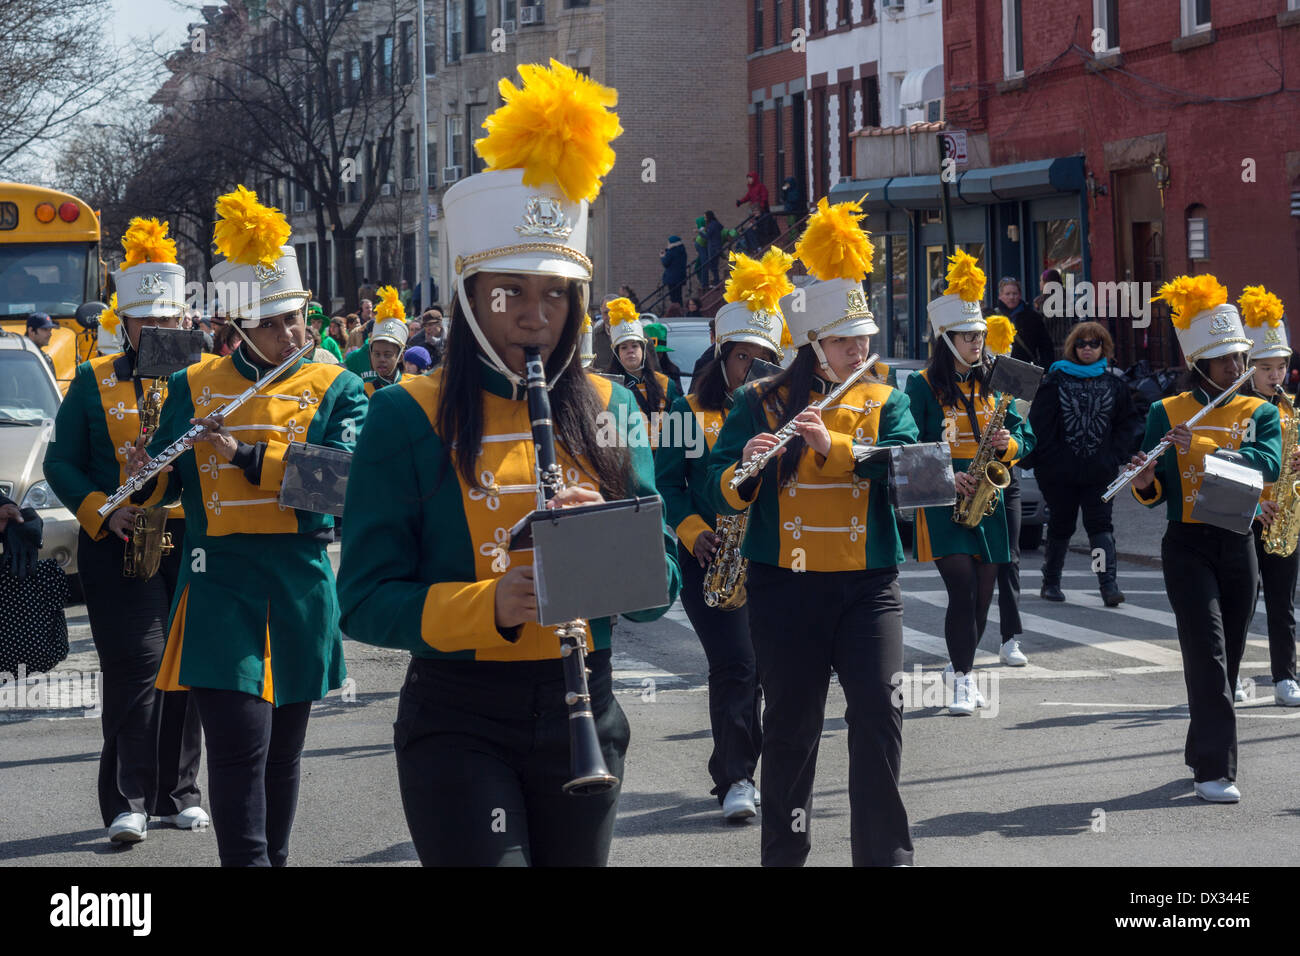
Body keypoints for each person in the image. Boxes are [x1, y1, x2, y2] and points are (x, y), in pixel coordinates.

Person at [335, 60, 681, 867]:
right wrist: (495, 602)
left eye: (556, 294)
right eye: (511, 293)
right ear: (471, 297)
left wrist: (604, 548)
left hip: (583, 705)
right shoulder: (404, 414)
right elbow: (364, 600)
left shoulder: (612, 407)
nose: (535, 316)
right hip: (459, 714)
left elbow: (657, 594)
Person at [138, 186, 368, 865]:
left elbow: (344, 482)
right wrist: (143, 471)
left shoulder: (337, 387)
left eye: (297, 320)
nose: (291, 335)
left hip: (297, 584)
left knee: (282, 754)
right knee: (240, 746)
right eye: (272, 325)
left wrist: (244, 455)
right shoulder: (194, 385)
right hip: (219, 585)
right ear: (239, 330)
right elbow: (161, 489)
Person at [708, 199, 917, 867]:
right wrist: (744, 469)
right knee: (792, 733)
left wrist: (835, 447)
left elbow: (914, 470)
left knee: (879, 720)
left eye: (863, 339)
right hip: (786, 587)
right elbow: (721, 477)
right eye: (844, 342)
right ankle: (784, 856)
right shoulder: (761, 400)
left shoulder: (889, 400)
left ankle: (886, 857)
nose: (859, 351)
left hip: (867, 587)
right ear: (813, 346)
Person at [42, 217, 207, 845]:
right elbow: (60, 462)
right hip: (116, 544)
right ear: (127, 325)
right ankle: (128, 800)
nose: (160, 332)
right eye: (148, 322)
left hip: (187, 541)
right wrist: (101, 511)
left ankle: (179, 792)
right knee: (136, 667)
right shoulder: (94, 380)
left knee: (186, 665)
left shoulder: (202, 380)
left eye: (171, 321)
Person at [1130, 275, 1280, 803]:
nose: (1236, 370)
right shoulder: (1165, 412)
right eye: (1224, 362)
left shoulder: (1259, 412)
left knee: (1229, 657)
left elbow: (1269, 467)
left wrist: (1204, 447)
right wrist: (1145, 483)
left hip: (1238, 542)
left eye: (1240, 359)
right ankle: (1215, 771)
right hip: (1188, 544)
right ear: (1200, 365)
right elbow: (1156, 491)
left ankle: (1201, 749)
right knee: (1207, 653)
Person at [655, 249, 788, 821]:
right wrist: (692, 533)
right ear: (722, 355)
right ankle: (736, 778)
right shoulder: (685, 411)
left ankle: (749, 768)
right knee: (734, 663)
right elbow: (665, 484)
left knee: (767, 668)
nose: (751, 368)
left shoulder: (786, 413)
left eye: (764, 358)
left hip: (774, 555)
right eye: (742, 357)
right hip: (709, 556)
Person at [904, 251, 1030, 715]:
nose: (978, 341)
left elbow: (1026, 436)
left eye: (980, 334)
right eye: (969, 335)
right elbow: (906, 441)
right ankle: (961, 679)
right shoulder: (920, 385)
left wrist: (1006, 446)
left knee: (983, 592)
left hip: (990, 496)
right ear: (946, 338)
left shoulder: (996, 382)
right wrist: (943, 473)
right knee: (962, 588)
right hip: (943, 498)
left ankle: (959, 664)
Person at [1023, 321, 1142, 606]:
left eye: (1094, 343)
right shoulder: (1054, 381)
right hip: (1058, 473)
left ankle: (1107, 585)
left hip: (1100, 472)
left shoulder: (1115, 384)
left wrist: (1114, 456)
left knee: (1100, 527)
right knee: (1060, 526)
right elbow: (1040, 425)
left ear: (1104, 347)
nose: (1087, 348)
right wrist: (1050, 461)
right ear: (1072, 348)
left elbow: (1129, 425)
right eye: (1081, 344)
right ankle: (1051, 581)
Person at [1238, 286, 1300, 707]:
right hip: (1243, 514)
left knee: (1283, 602)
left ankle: (1285, 676)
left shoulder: (1290, 407)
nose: (1276, 375)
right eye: (1266, 368)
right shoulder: (1236, 409)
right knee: (1239, 606)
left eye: (1280, 367)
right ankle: (1233, 677)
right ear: (1248, 367)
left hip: (1283, 516)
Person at [606, 299, 682, 452]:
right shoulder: (609, 386)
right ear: (617, 353)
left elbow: (680, 424)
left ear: (643, 350)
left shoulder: (666, 383)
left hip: (661, 457)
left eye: (635, 346)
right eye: (624, 347)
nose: (630, 351)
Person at [993, 276, 1055, 368]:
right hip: (999, 369)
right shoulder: (992, 317)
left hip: (1025, 369)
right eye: (1007, 294)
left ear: (1020, 295)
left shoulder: (1033, 317)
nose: (1011, 297)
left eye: (1015, 293)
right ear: (1000, 296)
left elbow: (1046, 347)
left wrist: (1045, 370)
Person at [643, 320, 685, 389]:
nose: (655, 356)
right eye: (651, 352)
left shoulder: (673, 371)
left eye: (658, 352)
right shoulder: (636, 373)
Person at [660, 235, 687, 306]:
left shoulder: (671, 252)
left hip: (671, 278)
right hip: (680, 277)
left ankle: (676, 311)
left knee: (673, 297)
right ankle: (680, 309)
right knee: (679, 296)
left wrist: (662, 257)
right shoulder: (682, 251)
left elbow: (666, 263)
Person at [704, 210, 724, 288]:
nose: (705, 218)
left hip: (713, 247)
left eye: (705, 217)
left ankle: (716, 282)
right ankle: (716, 281)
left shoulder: (711, 225)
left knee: (713, 266)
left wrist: (699, 232)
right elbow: (720, 229)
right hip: (717, 246)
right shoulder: (716, 224)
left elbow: (707, 236)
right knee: (714, 265)